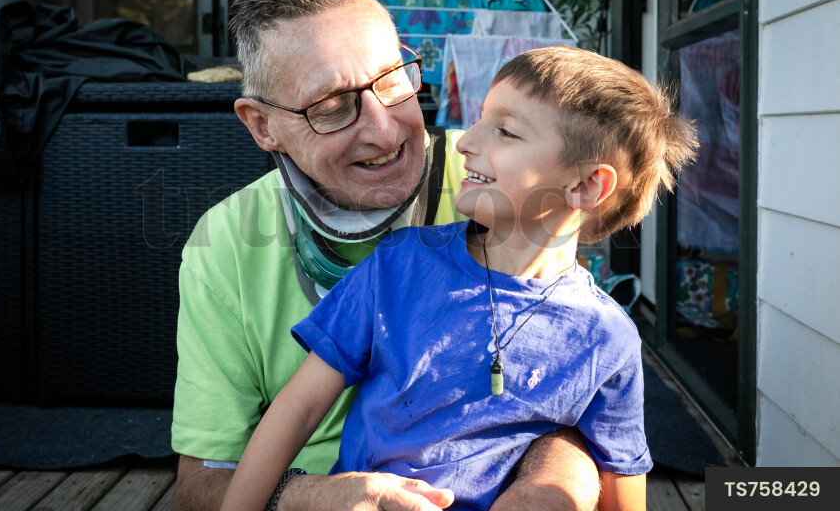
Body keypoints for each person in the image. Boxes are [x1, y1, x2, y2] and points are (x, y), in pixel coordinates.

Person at [172, 0, 601, 511]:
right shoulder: (225, 242)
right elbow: (203, 480)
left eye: (394, 81)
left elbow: (580, 399)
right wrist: (312, 498)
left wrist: (547, 485)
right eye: (331, 106)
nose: (384, 129)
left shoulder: (502, 187)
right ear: (262, 125)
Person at [219, 46, 699, 511]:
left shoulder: (606, 339)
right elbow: (297, 409)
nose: (467, 141)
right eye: (481, 118)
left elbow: (622, 488)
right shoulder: (397, 267)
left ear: (586, 185)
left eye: (505, 132)